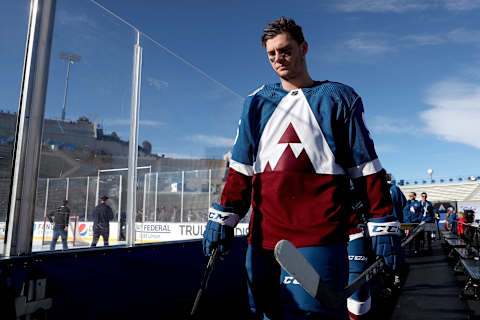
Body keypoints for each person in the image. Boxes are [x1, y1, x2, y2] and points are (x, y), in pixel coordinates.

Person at [202, 17, 400, 319]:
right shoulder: (255, 103)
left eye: (285, 51)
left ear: (303, 48)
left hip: (318, 239)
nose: (278, 59)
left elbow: (367, 170)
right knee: (265, 314)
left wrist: (383, 221)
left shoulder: (338, 98)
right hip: (262, 241)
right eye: (271, 54)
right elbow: (240, 170)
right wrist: (224, 216)